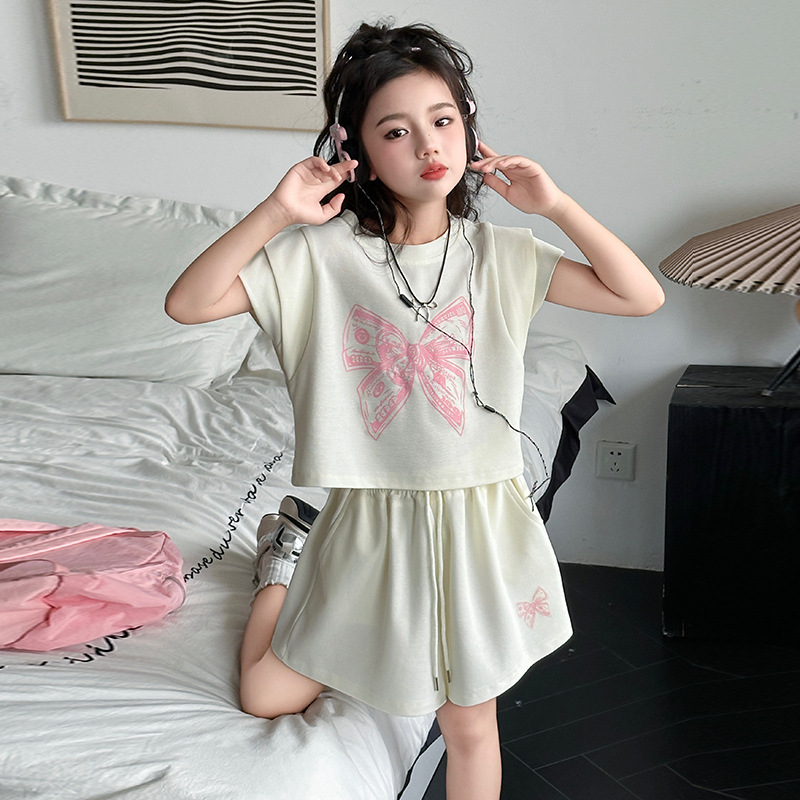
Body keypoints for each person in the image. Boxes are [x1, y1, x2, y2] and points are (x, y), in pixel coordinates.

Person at [165, 20, 664, 800]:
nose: (429, 145)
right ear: (358, 151)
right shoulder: (321, 255)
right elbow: (188, 304)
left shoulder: (501, 254)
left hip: (475, 523)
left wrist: (556, 206)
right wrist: (276, 211)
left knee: (470, 728)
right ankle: (282, 563)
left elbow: (640, 296)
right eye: (396, 131)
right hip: (367, 521)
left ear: (468, 127)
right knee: (264, 696)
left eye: (444, 120)